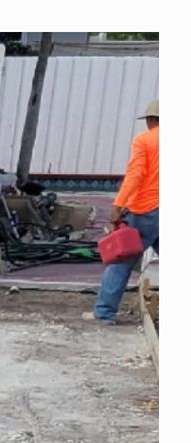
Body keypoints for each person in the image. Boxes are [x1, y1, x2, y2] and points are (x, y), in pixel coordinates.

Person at [94, 98, 159, 324]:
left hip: (145, 211)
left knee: (121, 262)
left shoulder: (144, 140)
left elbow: (136, 174)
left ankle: (104, 314)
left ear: (151, 119)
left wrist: (118, 205)